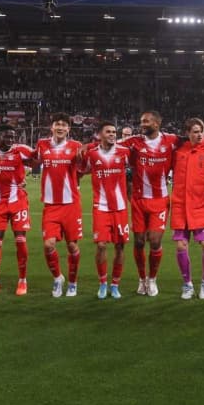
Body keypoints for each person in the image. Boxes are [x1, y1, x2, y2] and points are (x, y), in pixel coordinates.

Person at [121, 111, 182, 296]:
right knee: (139, 242)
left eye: (146, 121)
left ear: (157, 123)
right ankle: (142, 279)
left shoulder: (171, 140)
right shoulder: (133, 142)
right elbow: (109, 145)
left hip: (160, 200)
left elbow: (191, 139)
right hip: (139, 201)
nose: (142, 124)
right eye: (141, 121)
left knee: (155, 241)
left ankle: (153, 279)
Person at [77, 121, 131, 299]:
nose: (112, 134)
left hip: (120, 208)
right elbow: (79, 171)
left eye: (114, 132)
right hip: (100, 207)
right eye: (108, 132)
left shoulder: (124, 152)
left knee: (120, 246)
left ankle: (115, 285)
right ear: (99, 134)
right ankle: (102, 283)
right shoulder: (92, 154)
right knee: (101, 245)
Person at [169, 117, 204, 299]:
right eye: (195, 132)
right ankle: (187, 284)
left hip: (202, 206)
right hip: (180, 207)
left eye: (201, 131)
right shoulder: (178, 151)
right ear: (187, 133)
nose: (199, 135)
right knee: (181, 246)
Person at [35, 113, 85, 297]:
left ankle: (73, 282)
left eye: (64, 125)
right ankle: (58, 278)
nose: (61, 127)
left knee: (72, 246)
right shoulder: (42, 145)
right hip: (50, 205)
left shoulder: (76, 146)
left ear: (69, 129)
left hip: (71, 204)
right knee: (48, 245)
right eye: (58, 124)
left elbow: (84, 168)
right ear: (52, 127)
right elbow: (31, 160)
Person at [0, 126, 36, 296]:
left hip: (18, 202)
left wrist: (28, 173)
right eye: (7, 136)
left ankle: (22, 280)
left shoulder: (21, 150)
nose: (10, 139)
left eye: (13, 136)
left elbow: (38, 160)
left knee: (21, 241)